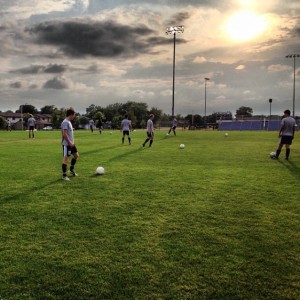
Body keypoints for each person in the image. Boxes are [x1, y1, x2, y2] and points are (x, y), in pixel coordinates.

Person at [61, 108, 79, 181]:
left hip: (71, 144)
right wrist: (69, 143)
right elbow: (64, 134)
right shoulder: (65, 122)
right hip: (67, 144)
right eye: (74, 115)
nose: (74, 116)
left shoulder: (69, 122)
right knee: (66, 159)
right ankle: (64, 176)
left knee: (76, 155)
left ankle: (71, 169)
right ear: (71, 114)